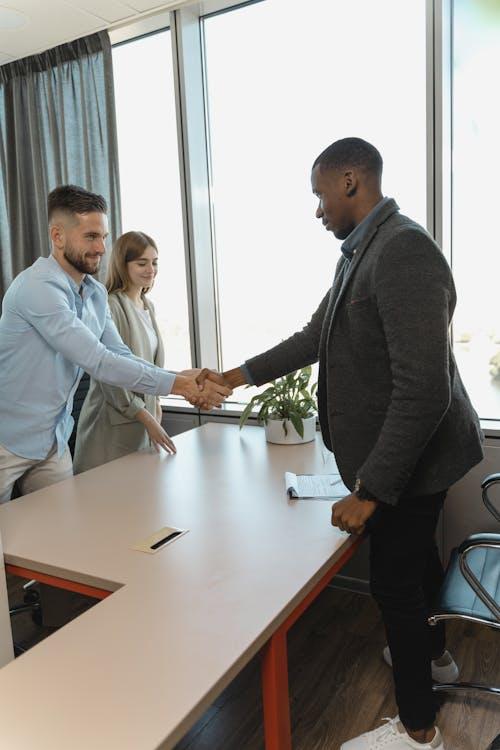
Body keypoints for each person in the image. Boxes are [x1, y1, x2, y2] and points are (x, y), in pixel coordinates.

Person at [199, 138, 483, 750]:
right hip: (407, 459)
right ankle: (435, 658)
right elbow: (313, 337)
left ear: (351, 180)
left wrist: (371, 489)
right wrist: (234, 376)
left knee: (393, 586)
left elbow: (424, 391)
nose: (318, 208)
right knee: (417, 567)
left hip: (415, 462)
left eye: (319, 193)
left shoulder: (403, 251)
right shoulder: (361, 252)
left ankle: (417, 730)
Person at [0, 185, 231, 503]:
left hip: (52, 440)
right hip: (6, 440)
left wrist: (185, 378)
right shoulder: (38, 288)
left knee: (61, 535)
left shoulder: (94, 294)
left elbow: (120, 354)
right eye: (91, 237)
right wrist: (181, 386)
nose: (101, 248)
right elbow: (98, 360)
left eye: (104, 237)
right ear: (58, 236)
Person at [73, 231, 176, 474]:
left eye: (154, 262)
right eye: (142, 263)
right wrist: (147, 418)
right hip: (111, 426)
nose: (150, 269)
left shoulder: (148, 307)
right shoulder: (110, 304)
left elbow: (150, 366)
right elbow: (109, 371)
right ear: (123, 264)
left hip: (143, 424)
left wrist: (156, 406)